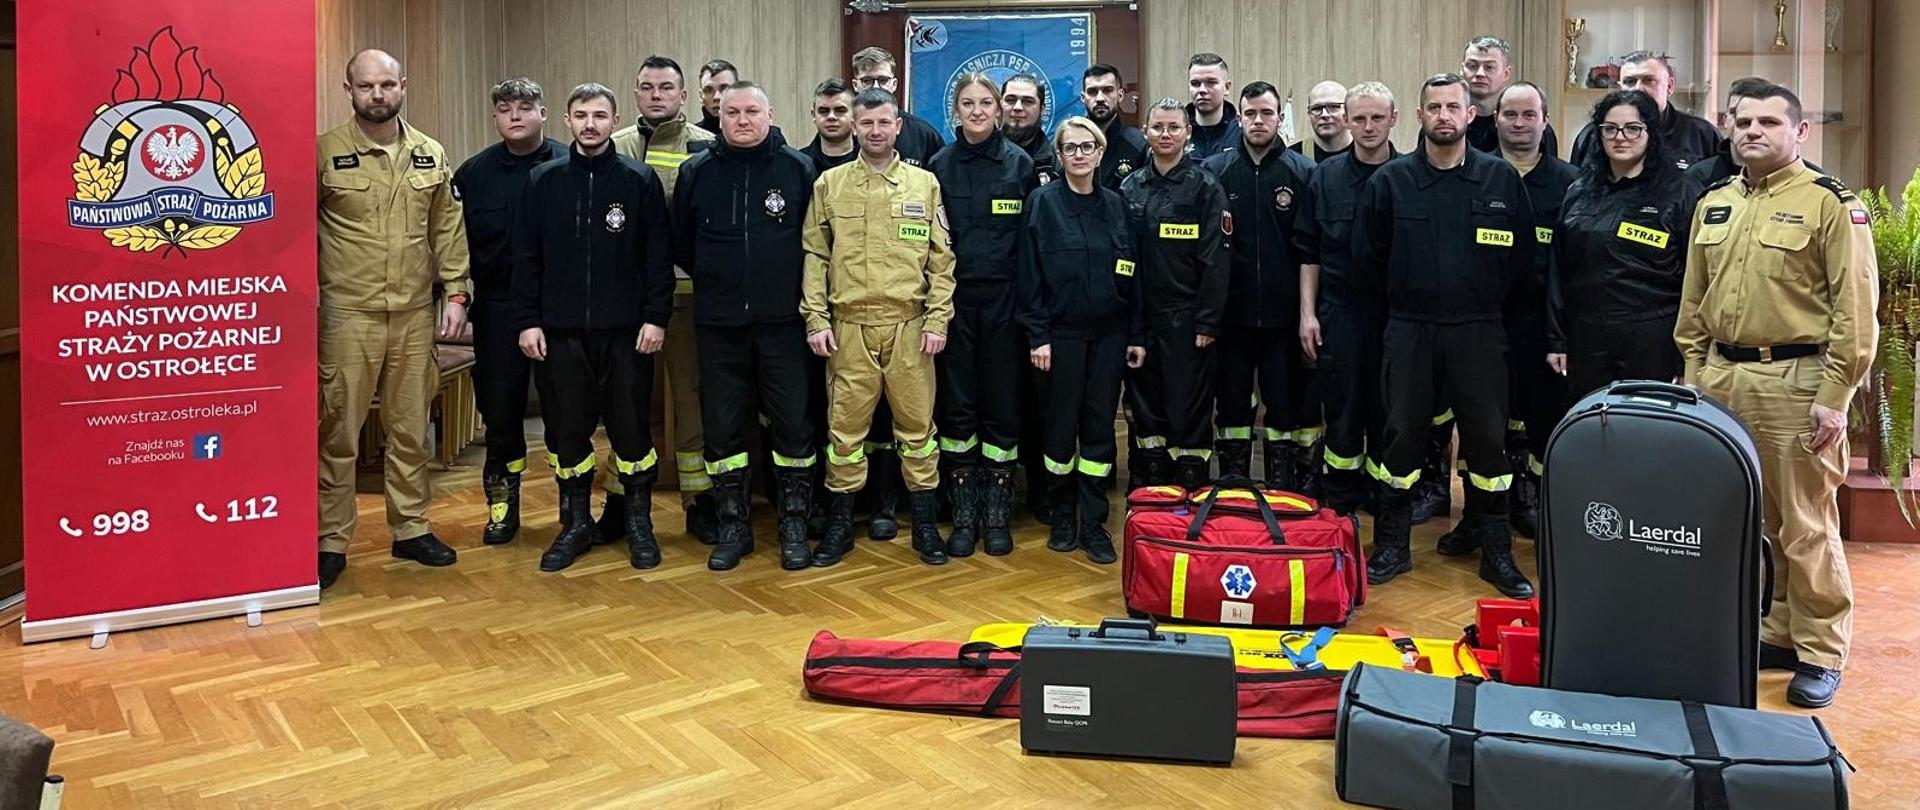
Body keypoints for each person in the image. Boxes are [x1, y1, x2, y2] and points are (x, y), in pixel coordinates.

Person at [1675, 83, 1877, 708]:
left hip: (1797, 384)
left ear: (1800, 132)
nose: (1752, 131)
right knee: (1753, 522)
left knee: (1806, 524)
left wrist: (1836, 394)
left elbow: (1856, 308)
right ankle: (1779, 631)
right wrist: (1693, 370)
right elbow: (1693, 302)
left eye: (1768, 121)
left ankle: (1821, 648)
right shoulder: (1715, 203)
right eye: (1742, 122)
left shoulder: (1830, 205)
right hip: (1721, 381)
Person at [1354, 73, 1536, 599]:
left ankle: (1496, 552)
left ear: (1470, 115)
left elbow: (1523, 268)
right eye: (1433, 107)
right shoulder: (1389, 183)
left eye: (1453, 106)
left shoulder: (1502, 182)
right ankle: (1391, 545)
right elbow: (1368, 265)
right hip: (1409, 329)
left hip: (1479, 331)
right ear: (1419, 116)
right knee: (1402, 438)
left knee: (1488, 442)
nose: (1444, 116)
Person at [316, 49, 469, 590]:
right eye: (366, 86)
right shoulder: (324, 153)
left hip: (411, 315)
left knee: (409, 429)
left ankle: (411, 528)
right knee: (338, 431)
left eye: (386, 85)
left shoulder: (430, 153)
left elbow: (447, 229)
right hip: (347, 316)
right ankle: (330, 540)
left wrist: (456, 293)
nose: (377, 95)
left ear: (403, 85)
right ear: (348, 89)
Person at [512, 83, 674, 573]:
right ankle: (576, 524)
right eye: (580, 114)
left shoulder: (638, 179)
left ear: (614, 119)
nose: (590, 124)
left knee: (631, 432)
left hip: (627, 332)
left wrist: (656, 316)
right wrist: (528, 322)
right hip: (560, 334)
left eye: (599, 115)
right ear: (566, 120)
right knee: (568, 433)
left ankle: (638, 525)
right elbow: (526, 259)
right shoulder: (543, 181)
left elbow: (656, 258)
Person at [801, 88, 957, 566]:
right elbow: (815, 255)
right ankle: (841, 525)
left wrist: (938, 318)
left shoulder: (923, 184)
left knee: (918, 431)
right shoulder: (829, 184)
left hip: (910, 328)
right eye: (865, 123)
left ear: (897, 126)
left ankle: (925, 527)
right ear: (853, 124)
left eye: (883, 123)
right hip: (849, 328)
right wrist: (815, 318)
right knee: (844, 434)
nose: (874, 131)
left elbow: (942, 260)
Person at [672, 81, 822, 571]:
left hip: (783, 324)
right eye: (731, 111)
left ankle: (794, 524)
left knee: (794, 425)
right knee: (723, 428)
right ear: (718, 115)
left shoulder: (797, 168)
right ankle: (734, 526)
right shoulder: (697, 172)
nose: (741, 120)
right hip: (719, 325)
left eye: (752, 111)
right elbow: (683, 245)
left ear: (770, 113)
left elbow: (815, 245)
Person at [1455, 80, 1578, 548]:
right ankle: (1477, 513)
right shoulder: (1474, 174)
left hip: (1540, 327)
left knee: (1541, 422)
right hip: (1482, 324)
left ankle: (1534, 507)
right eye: (1510, 115)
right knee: (1480, 424)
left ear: (1544, 121)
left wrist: (1560, 334)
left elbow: (1570, 268)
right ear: (1495, 119)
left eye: (1530, 115)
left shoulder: (1569, 183)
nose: (1520, 123)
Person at [1018, 115, 1141, 564]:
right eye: (1070, 148)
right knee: (1058, 430)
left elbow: (1135, 276)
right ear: (1059, 155)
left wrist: (1136, 335)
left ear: (1101, 152)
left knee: (1098, 432)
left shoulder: (1118, 205)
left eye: (1087, 146)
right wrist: (1038, 337)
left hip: (1110, 337)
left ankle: (1093, 523)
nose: (1079, 155)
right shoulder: (1041, 204)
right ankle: (1062, 515)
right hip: (1060, 338)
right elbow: (1029, 277)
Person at [610, 56, 720, 548]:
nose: (657, 95)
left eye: (667, 87)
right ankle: (621, 499)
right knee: (625, 403)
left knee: (690, 398)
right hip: (628, 305)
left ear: (683, 95)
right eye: (647, 87)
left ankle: (700, 500)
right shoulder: (614, 148)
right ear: (635, 94)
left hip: (689, 298)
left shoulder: (708, 145)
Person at [452, 78, 566, 548]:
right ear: (495, 117)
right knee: (500, 413)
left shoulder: (569, 164)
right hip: (498, 308)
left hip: (559, 309)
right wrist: (455, 298)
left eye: (525, 107)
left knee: (567, 412)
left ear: (544, 113)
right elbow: (452, 244)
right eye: (505, 108)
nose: (515, 115)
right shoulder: (472, 174)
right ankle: (503, 504)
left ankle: (572, 507)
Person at [927, 74, 1038, 557]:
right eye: (967, 103)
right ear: (956, 110)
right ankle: (964, 514)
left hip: (1005, 305)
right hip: (953, 304)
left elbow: (1033, 248)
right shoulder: (938, 166)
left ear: (998, 111)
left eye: (985, 103)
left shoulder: (1021, 165)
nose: (976, 111)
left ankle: (997, 514)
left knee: (1001, 405)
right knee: (957, 405)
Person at [1549, 90, 1704, 400]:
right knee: (1593, 426)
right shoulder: (1580, 191)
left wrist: (1687, 357)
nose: (1621, 137)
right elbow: (1558, 271)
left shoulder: (1681, 192)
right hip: (1587, 335)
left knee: (1647, 430)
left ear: (1651, 133)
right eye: (1610, 129)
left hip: (1652, 335)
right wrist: (1557, 340)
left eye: (1633, 128)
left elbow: (1697, 279)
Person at [1201, 81, 1318, 487]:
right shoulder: (1215, 171)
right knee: (1231, 404)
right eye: (1250, 114)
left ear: (1280, 118)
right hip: (1230, 316)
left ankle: (1283, 485)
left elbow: (1310, 250)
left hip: (1283, 317)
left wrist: (1307, 313)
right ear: (1239, 119)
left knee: (1283, 405)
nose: (1258, 121)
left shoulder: (1304, 172)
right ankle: (1233, 481)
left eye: (1266, 113)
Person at [1295, 81, 1399, 516]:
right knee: (1342, 410)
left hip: (1397, 317)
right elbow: (1308, 251)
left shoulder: (1411, 175)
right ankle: (1340, 503)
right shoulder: (1325, 176)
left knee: (1390, 412)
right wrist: (1307, 315)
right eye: (1359, 118)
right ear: (1347, 120)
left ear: (1394, 119)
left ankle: (1384, 502)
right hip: (1340, 313)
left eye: (1377, 117)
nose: (1368, 126)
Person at [1121, 98, 1231, 490]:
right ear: (1146, 134)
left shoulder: (1205, 186)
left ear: (1187, 133)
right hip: (1141, 317)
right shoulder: (1130, 187)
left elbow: (1216, 259)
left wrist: (1207, 320)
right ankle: (1155, 485)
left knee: (1189, 406)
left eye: (1173, 127)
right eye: (1158, 128)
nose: (1165, 134)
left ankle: (1191, 484)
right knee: (1146, 407)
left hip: (1187, 318)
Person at [1570, 51, 1722, 171]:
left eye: (1649, 80)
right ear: (1619, 88)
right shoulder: (1594, 135)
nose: (1638, 88)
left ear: (1669, 86)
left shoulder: (1703, 135)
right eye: (1630, 82)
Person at [1459, 36, 1558, 155]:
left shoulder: (1534, 129)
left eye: (1489, 67)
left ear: (1506, 74)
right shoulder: (1451, 123)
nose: (1480, 73)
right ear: (1462, 70)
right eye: (1472, 66)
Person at [849, 47, 944, 166]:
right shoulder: (841, 132)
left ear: (894, 84)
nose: (876, 87)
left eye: (883, 80)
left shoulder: (923, 135)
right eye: (867, 80)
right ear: (855, 85)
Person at [1686, 76, 1774, 189]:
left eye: (1757, 116)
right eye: (1735, 112)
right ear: (1725, 120)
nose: (1742, 120)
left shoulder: (1799, 178)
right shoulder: (1698, 177)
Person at [1082, 63, 1149, 190]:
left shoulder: (1139, 144)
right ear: (1083, 98)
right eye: (1092, 92)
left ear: (1120, 95)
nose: (1100, 98)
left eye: (1108, 90)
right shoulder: (1071, 144)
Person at [1002, 73, 1059, 186]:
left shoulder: (1058, 163)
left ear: (1041, 110)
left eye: (1027, 101)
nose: (1017, 107)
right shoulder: (981, 155)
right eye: (1010, 100)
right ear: (1000, 105)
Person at [1185, 52, 1240, 158]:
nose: (1202, 90)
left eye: (1211, 82)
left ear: (1227, 87)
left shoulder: (1242, 133)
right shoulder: (1176, 131)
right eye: (1195, 84)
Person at [1291, 80, 1355, 162]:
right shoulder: (1293, 159)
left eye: (1333, 106)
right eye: (1316, 108)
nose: (1324, 114)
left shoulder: (1367, 153)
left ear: (1348, 110)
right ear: (1309, 115)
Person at [695, 59, 737, 133]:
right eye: (708, 90)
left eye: (725, 89)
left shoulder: (753, 134)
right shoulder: (690, 139)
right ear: (701, 96)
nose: (717, 97)